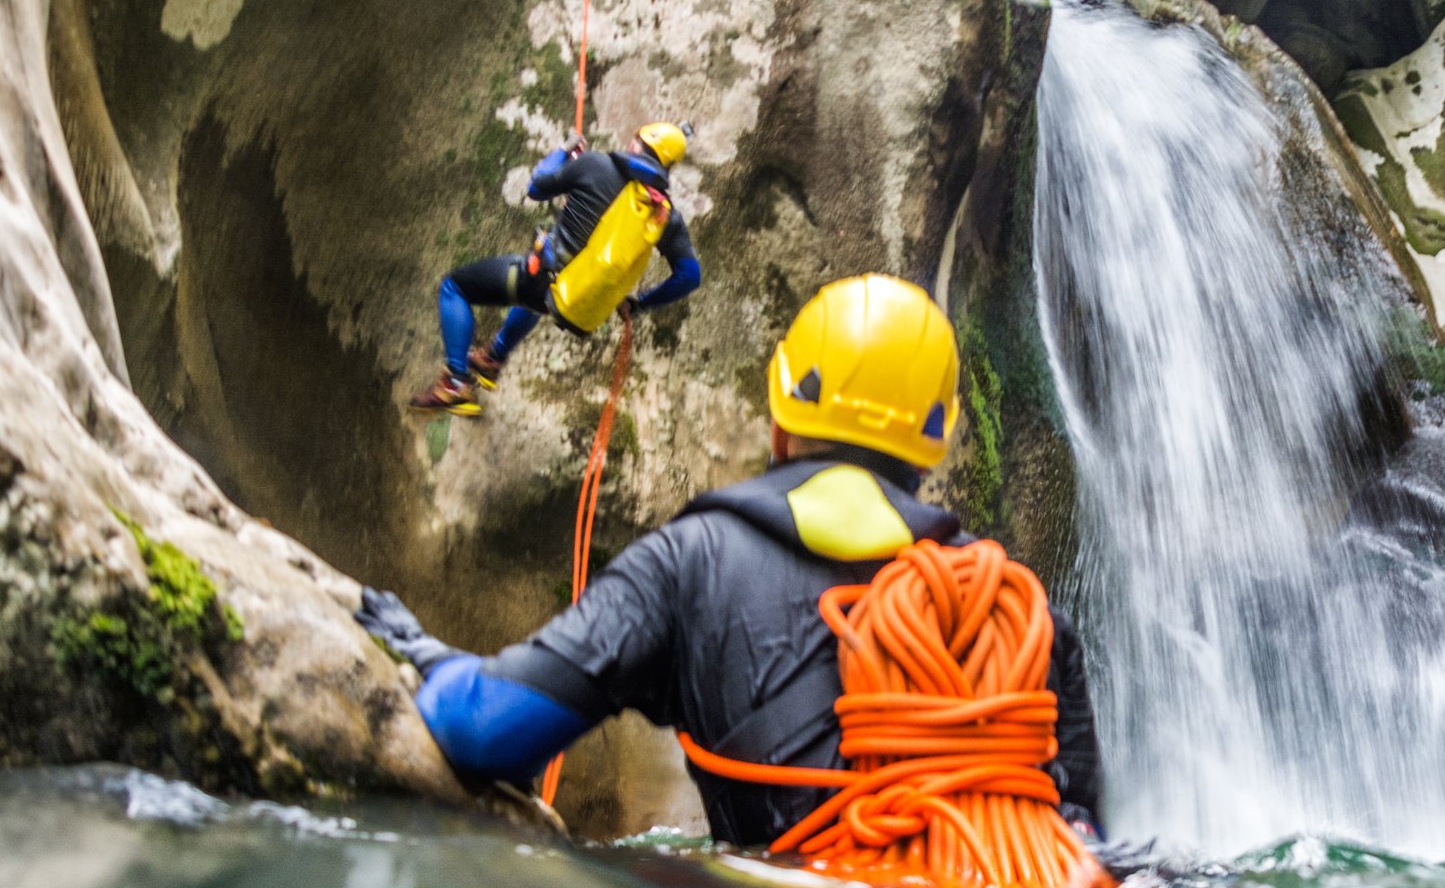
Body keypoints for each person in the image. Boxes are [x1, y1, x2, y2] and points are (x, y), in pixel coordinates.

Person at [361, 274, 1104, 846]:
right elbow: (1083, 837)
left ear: (781, 415)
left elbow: (486, 730)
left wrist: (426, 653)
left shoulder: (691, 564)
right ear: (935, 442)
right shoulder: (1022, 609)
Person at [409, 121, 703, 417]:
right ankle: (493, 358)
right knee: (535, 300)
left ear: (640, 144)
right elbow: (690, 276)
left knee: (454, 287)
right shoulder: (663, 215)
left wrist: (564, 151)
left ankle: (455, 383)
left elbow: (537, 186)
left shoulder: (595, 165)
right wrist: (639, 305)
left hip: (537, 277)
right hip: (566, 296)